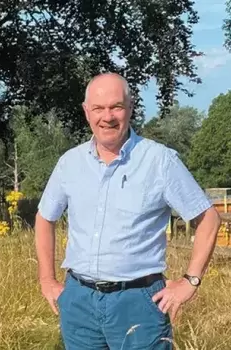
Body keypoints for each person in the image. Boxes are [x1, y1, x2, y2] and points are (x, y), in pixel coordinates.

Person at [35, 72, 221, 349]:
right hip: (78, 301)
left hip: (139, 302)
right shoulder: (69, 163)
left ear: (130, 108)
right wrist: (47, 279)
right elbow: (44, 218)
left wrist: (190, 281)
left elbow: (209, 219)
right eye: (98, 108)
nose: (107, 116)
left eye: (116, 107)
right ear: (87, 112)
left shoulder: (159, 160)